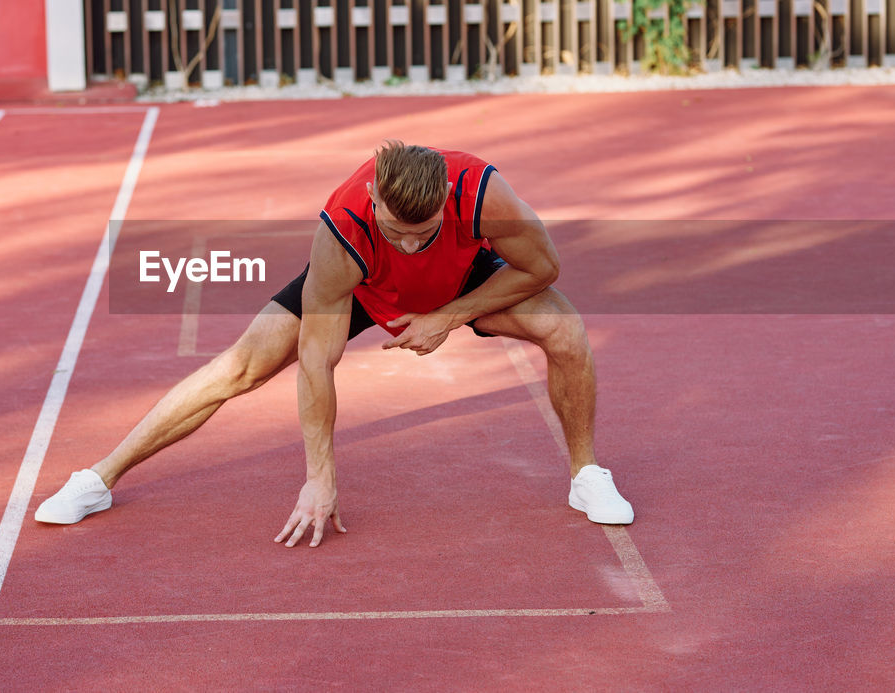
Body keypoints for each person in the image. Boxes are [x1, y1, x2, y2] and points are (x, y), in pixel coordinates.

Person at [35, 141, 633, 545]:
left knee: (566, 330)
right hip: (362, 287)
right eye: (396, 231)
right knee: (241, 367)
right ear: (373, 199)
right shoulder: (341, 231)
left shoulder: (481, 194)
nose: (408, 244)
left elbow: (543, 267)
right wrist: (320, 476)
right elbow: (317, 364)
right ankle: (99, 479)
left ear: (446, 202)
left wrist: (447, 316)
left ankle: (587, 474)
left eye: (422, 234)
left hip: (462, 280)